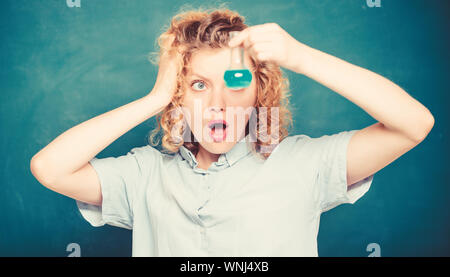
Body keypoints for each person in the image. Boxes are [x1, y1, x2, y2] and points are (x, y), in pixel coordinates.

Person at [30, 7, 434, 257]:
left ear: (260, 92)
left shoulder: (304, 163)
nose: (218, 101)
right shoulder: (143, 175)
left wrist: (301, 57)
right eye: (199, 85)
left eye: (236, 81)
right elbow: (49, 168)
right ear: (178, 96)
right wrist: (155, 98)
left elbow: (414, 125)